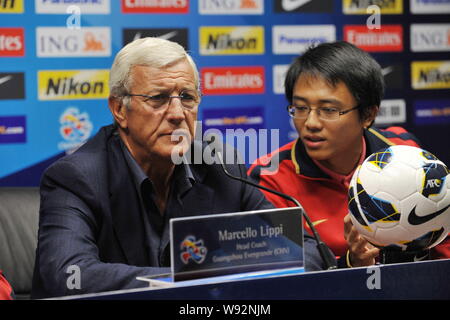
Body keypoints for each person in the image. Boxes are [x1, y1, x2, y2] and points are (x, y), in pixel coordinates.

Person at [32, 37, 330, 299]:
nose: (177, 113)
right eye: (158, 98)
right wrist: (192, 281)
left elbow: (308, 252)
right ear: (119, 109)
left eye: (187, 97)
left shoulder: (222, 167)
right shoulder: (77, 177)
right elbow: (67, 275)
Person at [248, 41, 450, 268]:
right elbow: (285, 272)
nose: (311, 123)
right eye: (301, 108)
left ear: (368, 115)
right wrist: (351, 263)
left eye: (329, 110)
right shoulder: (270, 178)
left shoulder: (403, 150)